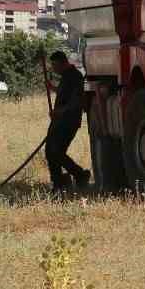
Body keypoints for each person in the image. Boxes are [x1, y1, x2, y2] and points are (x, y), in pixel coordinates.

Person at [45, 51, 90, 192]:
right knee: (50, 151)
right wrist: (52, 87)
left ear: (63, 62)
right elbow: (64, 93)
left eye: (55, 65)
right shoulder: (66, 76)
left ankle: (79, 175)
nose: (53, 68)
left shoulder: (75, 76)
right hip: (59, 121)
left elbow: (76, 100)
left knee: (56, 151)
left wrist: (60, 111)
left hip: (69, 121)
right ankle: (59, 182)